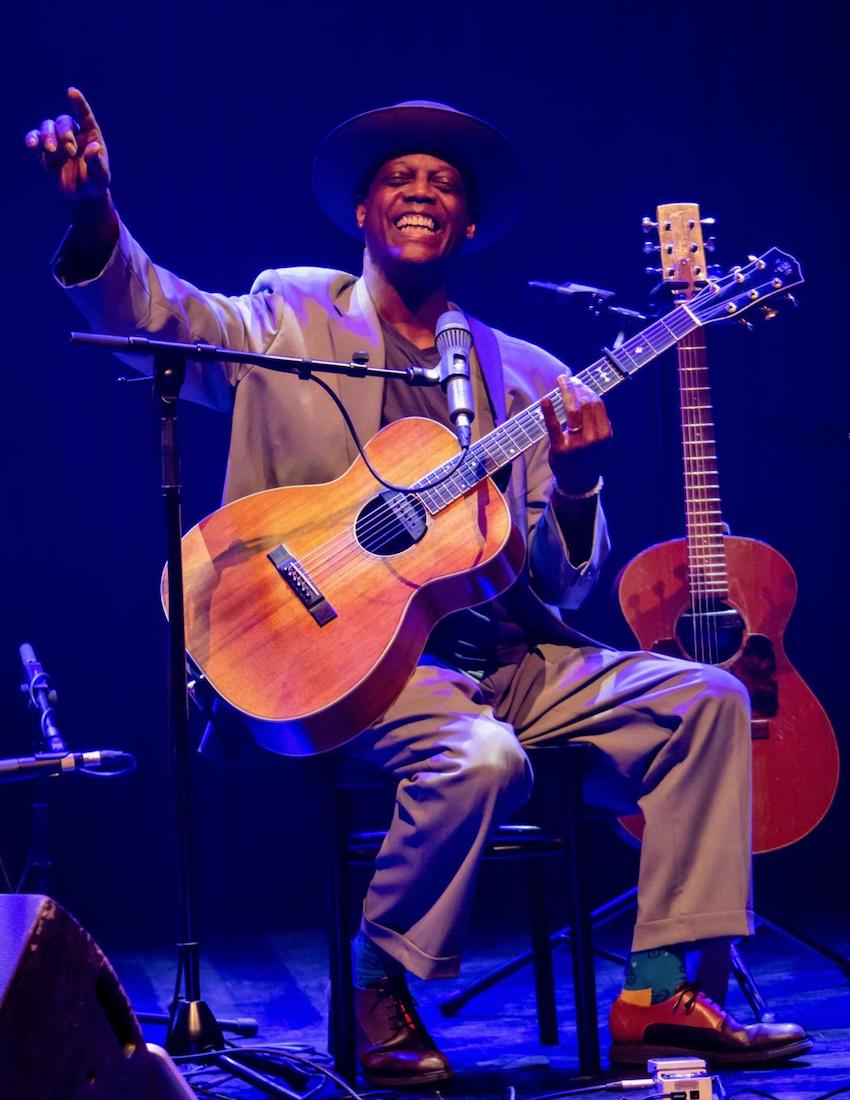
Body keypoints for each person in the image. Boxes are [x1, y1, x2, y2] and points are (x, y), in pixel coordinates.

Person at [27, 90, 810, 1085]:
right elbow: (153, 317)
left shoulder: (523, 373)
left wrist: (575, 487)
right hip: (331, 652)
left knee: (708, 697)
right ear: (361, 211)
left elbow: (565, 586)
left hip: (505, 658)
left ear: (468, 224)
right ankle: (377, 980)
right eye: (399, 177)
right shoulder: (288, 313)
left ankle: (658, 989)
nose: (422, 193)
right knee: (481, 757)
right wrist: (95, 214)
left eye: (445, 185)